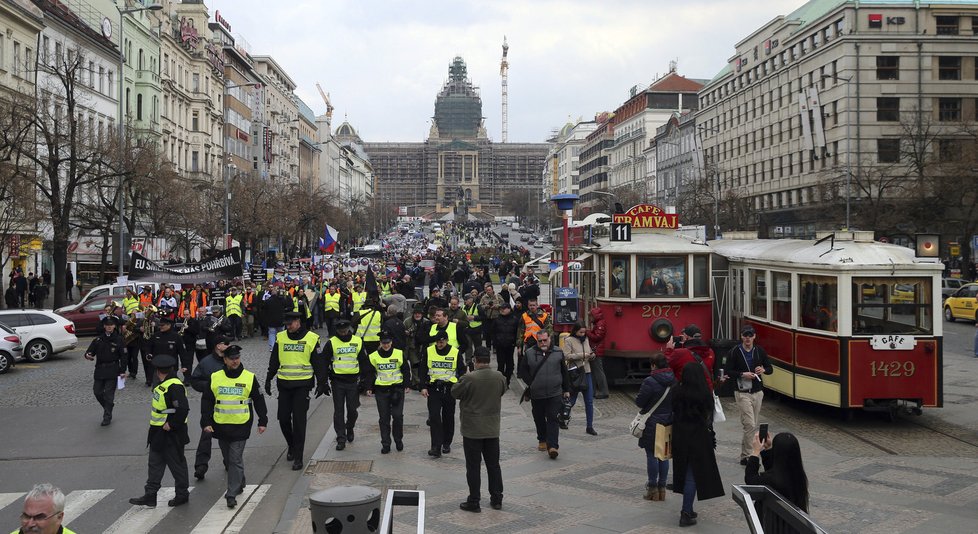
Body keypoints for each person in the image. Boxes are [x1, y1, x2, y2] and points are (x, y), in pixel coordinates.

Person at [201, 345, 269, 508]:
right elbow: (207, 400)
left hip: (241, 424)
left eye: (237, 357)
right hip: (221, 424)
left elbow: (258, 399)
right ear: (224, 360)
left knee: (234, 458)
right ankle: (240, 480)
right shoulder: (215, 377)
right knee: (228, 458)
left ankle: (232, 492)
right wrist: (206, 422)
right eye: (231, 359)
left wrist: (263, 420)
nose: (235, 361)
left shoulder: (249, 377)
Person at [265, 311, 329, 470]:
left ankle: (298, 457)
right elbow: (274, 360)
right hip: (284, 385)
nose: (288, 327)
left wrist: (322, 382)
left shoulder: (311, 338)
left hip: (302, 386)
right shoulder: (281, 338)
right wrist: (268, 378)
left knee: (299, 422)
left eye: (290, 324)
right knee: (284, 419)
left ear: (298, 321)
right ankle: (291, 444)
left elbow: (318, 362)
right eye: (286, 324)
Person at [129, 354, 191, 508]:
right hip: (158, 431)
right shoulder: (163, 384)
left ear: (157, 370)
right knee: (155, 463)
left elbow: (183, 409)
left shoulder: (174, 386)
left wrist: (172, 424)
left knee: (177, 464)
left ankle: (182, 494)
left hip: (171, 433)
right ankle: (150, 495)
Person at [452, 346, 507, 513]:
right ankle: (496, 499)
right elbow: (502, 391)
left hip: (472, 430)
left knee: (473, 467)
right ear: (489, 360)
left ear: (475, 360)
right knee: (493, 465)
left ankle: (474, 501)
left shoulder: (469, 378)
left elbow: (455, 392)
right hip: (492, 428)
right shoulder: (499, 377)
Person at [671, 361, 724, 527]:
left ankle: (689, 508)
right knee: (692, 475)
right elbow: (709, 416)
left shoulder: (676, 391)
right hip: (698, 437)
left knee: (685, 471)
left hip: (680, 436)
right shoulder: (704, 394)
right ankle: (686, 512)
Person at [518, 331, 569, 459]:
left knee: (553, 417)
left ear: (550, 339)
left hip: (554, 392)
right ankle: (542, 439)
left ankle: (553, 446)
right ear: (537, 341)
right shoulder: (529, 353)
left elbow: (564, 371)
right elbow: (522, 370)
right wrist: (531, 382)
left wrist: (566, 389)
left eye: (545, 340)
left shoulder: (558, 352)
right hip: (537, 393)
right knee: (539, 417)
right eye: (540, 341)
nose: (543, 343)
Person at [728, 325, 773, 465]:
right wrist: (743, 374)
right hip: (742, 393)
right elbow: (728, 371)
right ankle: (749, 455)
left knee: (750, 425)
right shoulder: (735, 351)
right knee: (750, 424)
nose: (747, 338)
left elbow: (770, 369)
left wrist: (763, 369)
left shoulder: (759, 351)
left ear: (754, 336)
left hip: (757, 392)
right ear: (741, 336)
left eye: (750, 335)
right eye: (745, 335)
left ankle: (744, 455)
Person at [189, 335, 233, 480]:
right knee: (206, 434)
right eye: (225, 343)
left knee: (227, 436)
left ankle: (229, 462)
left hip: (228, 406)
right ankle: (201, 466)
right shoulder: (206, 362)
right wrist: (209, 387)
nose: (228, 345)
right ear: (217, 346)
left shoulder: (232, 360)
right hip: (210, 405)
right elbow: (195, 380)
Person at [635, 351, 676, 502]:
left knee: (652, 454)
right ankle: (662, 489)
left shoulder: (650, 381)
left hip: (652, 422)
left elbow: (640, 402)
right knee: (663, 455)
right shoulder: (674, 380)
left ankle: (652, 489)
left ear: (653, 365)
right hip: (668, 421)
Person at [323, 319, 368, 451]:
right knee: (339, 411)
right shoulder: (331, 342)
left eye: (345, 330)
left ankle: (350, 427)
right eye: (340, 330)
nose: (343, 332)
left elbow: (364, 362)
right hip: (338, 381)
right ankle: (341, 438)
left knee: (353, 410)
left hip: (353, 382)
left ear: (349, 329)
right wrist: (323, 381)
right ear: (337, 330)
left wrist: (365, 382)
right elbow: (324, 362)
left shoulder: (357, 341)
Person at [365, 331, 411, 454]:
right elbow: (369, 373)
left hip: (397, 389)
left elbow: (405, 369)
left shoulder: (399, 353)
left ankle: (398, 439)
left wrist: (407, 384)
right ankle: (386, 443)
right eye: (384, 343)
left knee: (397, 416)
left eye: (388, 343)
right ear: (380, 343)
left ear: (391, 342)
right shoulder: (373, 356)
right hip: (381, 391)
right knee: (384, 419)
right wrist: (368, 387)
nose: (386, 345)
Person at [420, 330, 462, 458]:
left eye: (442, 341)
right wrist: (422, 386)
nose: (440, 344)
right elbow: (422, 369)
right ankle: (436, 447)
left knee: (448, 417)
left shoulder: (455, 352)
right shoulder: (429, 351)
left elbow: (461, 370)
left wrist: (459, 386)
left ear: (447, 341)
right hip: (434, 389)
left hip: (449, 389)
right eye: (438, 342)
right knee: (434, 417)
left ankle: (446, 443)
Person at [745, 431, 810, 514]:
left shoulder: (772, 479)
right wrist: (768, 449)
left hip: (773, 523)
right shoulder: (798, 476)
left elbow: (750, 480)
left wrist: (755, 452)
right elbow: (776, 469)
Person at [84, 315, 127, 426]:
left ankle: (107, 416)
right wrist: (88, 355)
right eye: (107, 325)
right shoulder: (98, 339)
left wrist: (123, 371)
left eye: (111, 325)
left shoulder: (119, 340)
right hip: (100, 370)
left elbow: (124, 357)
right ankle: (109, 406)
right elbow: (89, 352)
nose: (109, 327)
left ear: (114, 326)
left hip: (113, 369)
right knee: (97, 392)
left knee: (108, 394)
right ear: (104, 326)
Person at [562, 322, 597, 435]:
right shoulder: (569, 340)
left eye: (584, 332)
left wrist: (592, 355)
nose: (583, 334)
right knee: (571, 400)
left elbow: (589, 352)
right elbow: (566, 356)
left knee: (589, 401)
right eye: (580, 332)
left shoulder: (586, 339)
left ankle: (589, 426)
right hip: (575, 373)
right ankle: (562, 417)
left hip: (586, 372)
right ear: (575, 331)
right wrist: (582, 355)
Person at [665, 324, 715, 390]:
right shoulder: (710, 352)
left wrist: (669, 350)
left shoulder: (679, 353)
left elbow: (666, 365)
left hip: (686, 392)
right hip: (706, 391)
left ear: (686, 337)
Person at [147, 316, 191, 385]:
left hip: (171, 367)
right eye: (160, 325)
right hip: (157, 366)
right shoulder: (155, 336)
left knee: (170, 386)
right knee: (157, 387)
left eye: (162, 325)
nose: (160, 327)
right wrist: (148, 354)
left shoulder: (176, 337)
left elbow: (182, 352)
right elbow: (149, 347)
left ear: (169, 325)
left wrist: (184, 365)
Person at [491, 302, 518, 386]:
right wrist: (495, 343)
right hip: (500, 345)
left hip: (510, 345)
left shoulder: (514, 319)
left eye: (504, 308)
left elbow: (517, 332)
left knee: (509, 364)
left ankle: (507, 380)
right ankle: (501, 382)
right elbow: (492, 332)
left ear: (509, 309)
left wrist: (515, 343)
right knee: (501, 364)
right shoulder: (497, 320)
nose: (502, 310)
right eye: (501, 309)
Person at [586, 307, 610, 399]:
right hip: (596, 349)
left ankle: (603, 391)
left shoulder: (600, 324)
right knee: (595, 371)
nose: (590, 319)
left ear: (594, 316)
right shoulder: (599, 323)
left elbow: (597, 337)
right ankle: (593, 391)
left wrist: (587, 332)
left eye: (590, 317)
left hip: (597, 350)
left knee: (598, 371)